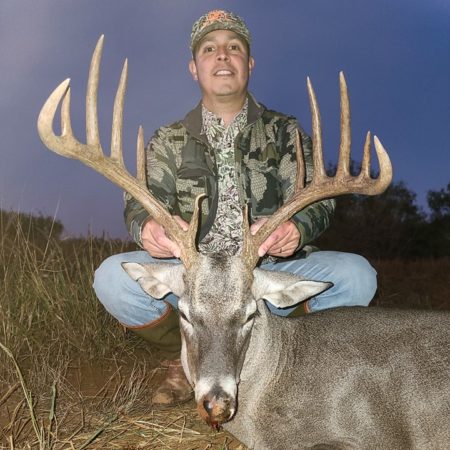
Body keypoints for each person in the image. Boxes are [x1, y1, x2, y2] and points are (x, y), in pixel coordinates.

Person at [93, 10, 377, 406]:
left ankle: (286, 357)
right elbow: (139, 203)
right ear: (194, 68)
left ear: (249, 63)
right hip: (193, 277)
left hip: (261, 273)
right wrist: (148, 228)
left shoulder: (285, 132)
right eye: (209, 49)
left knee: (357, 277)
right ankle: (185, 357)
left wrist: (297, 227)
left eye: (234, 48)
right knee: (112, 278)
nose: (222, 55)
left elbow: (320, 201)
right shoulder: (168, 140)